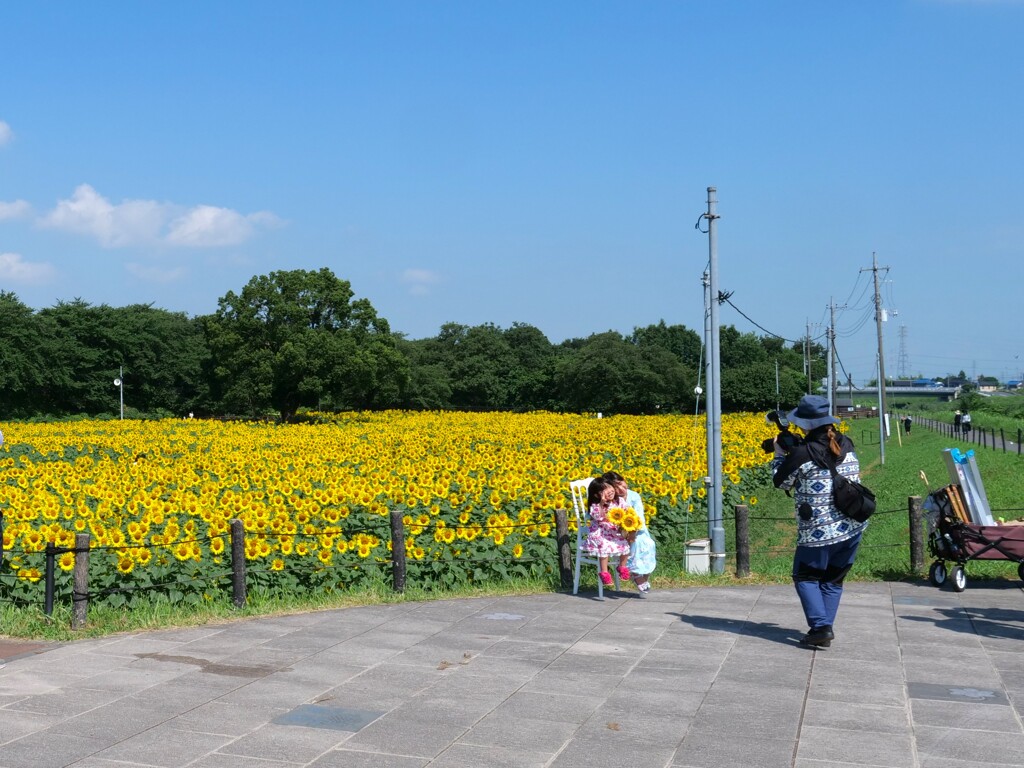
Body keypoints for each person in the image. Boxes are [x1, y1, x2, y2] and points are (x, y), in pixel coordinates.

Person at [771, 394, 868, 649]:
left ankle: (821, 627)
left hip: (818, 531)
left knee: (805, 577)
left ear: (806, 425)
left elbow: (781, 482)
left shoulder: (802, 453)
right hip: (852, 526)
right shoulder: (846, 443)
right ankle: (823, 628)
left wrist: (780, 454)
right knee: (833, 580)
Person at [603, 471, 657, 594]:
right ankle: (636, 574)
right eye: (616, 487)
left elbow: (639, 517)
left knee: (649, 543)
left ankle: (642, 574)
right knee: (635, 545)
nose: (621, 488)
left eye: (621, 483)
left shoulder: (634, 496)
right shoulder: (611, 501)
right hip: (617, 534)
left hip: (638, 531)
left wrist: (633, 531)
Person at [584, 477, 632, 588]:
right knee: (604, 547)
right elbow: (598, 516)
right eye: (604, 490)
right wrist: (601, 503)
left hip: (613, 533)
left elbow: (627, 511)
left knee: (625, 546)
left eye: (610, 487)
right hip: (600, 533)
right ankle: (604, 572)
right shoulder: (596, 506)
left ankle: (622, 566)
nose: (609, 490)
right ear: (597, 495)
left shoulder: (619, 501)